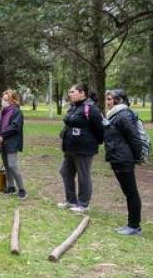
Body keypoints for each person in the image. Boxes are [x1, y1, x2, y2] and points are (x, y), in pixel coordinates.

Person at [58, 82, 104, 213]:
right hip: (70, 147)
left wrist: (92, 142)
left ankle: (83, 204)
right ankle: (71, 200)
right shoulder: (73, 107)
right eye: (70, 92)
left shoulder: (91, 108)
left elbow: (100, 130)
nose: (70, 94)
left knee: (83, 175)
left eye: (73, 92)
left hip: (84, 149)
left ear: (82, 93)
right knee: (65, 171)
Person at [104, 89, 143, 235]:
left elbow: (134, 138)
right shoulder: (114, 115)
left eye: (109, 99)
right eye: (107, 99)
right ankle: (132, 225)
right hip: (117, 158)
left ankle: (134, 226)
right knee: (128, 192)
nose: (107, 102)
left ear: (118, 100)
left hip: (123, 159)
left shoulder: (123, 116)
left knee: (131, 193)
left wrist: (137, 157)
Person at [0, 89, 27, 199]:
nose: (4, 101)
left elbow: (14, 127)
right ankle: (11, 186)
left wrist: (2, 135)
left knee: (12, 165)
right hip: (1, 142)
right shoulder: (0, 112)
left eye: (7, 100)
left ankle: (22, 189)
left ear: (13, 101)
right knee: (6, 165)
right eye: (3, 99)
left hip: (12, 143)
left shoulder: (17, 112)